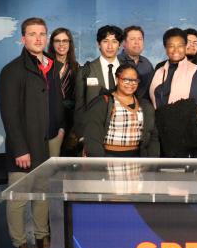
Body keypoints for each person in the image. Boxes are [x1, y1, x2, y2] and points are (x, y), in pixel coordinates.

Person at [0, 17, 64, 248]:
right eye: (32, 34)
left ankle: (41, 240)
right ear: (23, 38)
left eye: (42, 33)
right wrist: (20, 148)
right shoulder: (12, 70)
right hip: (25, 147)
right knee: (18, 200)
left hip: (49, 143)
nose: (38, 38)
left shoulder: (50, 66)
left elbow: (56, 102)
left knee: (44, 195)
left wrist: (59, 130)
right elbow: (9, 113)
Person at [83, 65, 159, 157]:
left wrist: (152, 162)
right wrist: (100, 165)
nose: (131, 84)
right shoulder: (103, 102)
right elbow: (92, 138)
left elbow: (153, 136)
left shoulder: (145, 106)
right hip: (108, 157)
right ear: (117, 79)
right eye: (126, 80)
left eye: (135, 80)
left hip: (137, 160)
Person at [74, 25, 123, 139]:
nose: (110, 46)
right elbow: (79, 106)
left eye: (114, 41)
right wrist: (81, 135)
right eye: (105, 41)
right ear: (98, 44)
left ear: (119, 45)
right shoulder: (86, 70)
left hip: (121, 132)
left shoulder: (128, 70)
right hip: (93, 132)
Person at [148, 27, 197, 110]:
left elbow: (195, 105)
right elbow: (149, 99)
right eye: (171, 46)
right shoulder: (158, 71)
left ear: (185, 46)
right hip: (157, 121)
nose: (176, 50)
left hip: (183, 121)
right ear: (165, 48)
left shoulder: (195, 70)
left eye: (180, 46)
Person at [47, 27, 79, 156]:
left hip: (69, 120)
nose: (61, 44)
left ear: (70, 44)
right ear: (52, 43)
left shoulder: (76, 67)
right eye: (57, 41)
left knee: (67, 156)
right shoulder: (44, 65)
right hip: (49, 118)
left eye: (65, 41)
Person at [118, 25, 154, 101]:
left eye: (140, 39)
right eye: (132, 39)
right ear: (123, 43)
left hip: (144, 108)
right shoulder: (116, 62)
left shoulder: (147, 63)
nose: (137, 42)